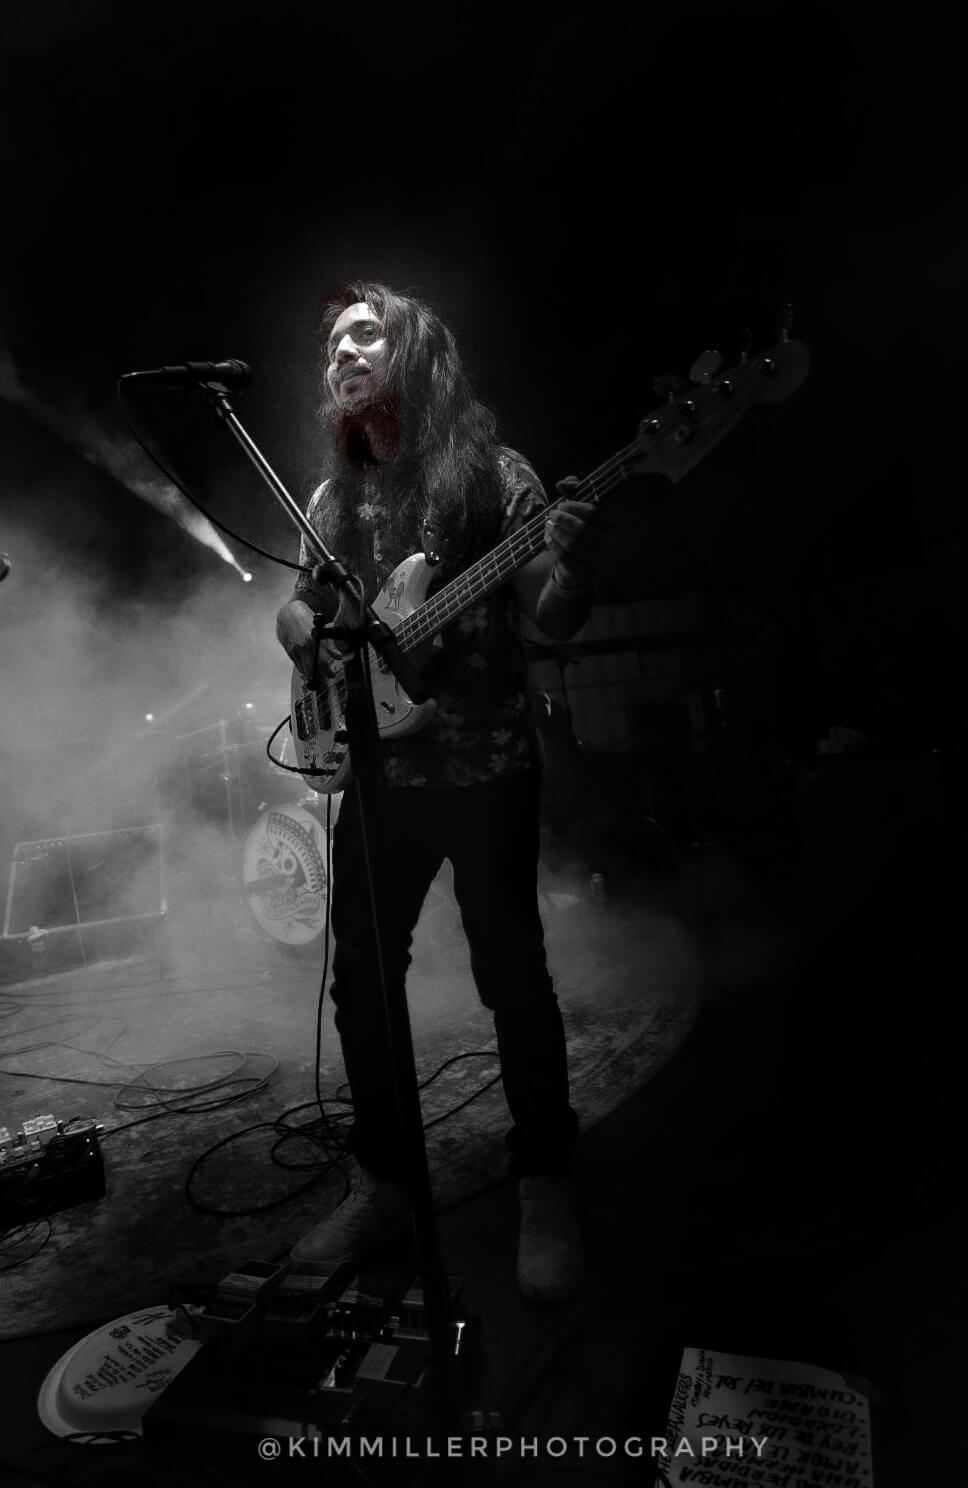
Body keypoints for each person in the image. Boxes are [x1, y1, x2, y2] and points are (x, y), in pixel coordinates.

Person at [275, 281, 608, 1302]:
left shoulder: (496, 477)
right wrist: (303, 638)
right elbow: (298, 611)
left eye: (365, 334)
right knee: (362, 982)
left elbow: (552, 617)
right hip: (379, 776)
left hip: (486, 766)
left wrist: (578, 565)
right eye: (333, 342)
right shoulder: (330, 500)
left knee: (512, 976)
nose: (343, 353)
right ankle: (385, 1183)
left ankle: (544, 1176)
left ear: (414, 352)